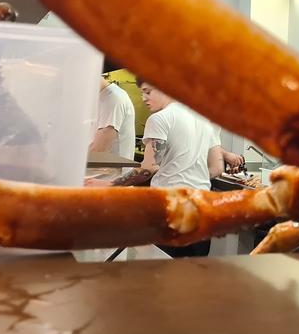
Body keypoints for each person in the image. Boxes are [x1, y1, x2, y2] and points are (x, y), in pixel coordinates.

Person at [106, 77, 244, 258]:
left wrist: (110, 186)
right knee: (192, 278)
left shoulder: (159, 119)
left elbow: (149, 168)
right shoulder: (205, 121)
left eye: (148, 92)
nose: (143, 98)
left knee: (162, 276)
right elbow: (217, 168)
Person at [88, 63, 137, 161]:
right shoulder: (97, 98)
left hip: (114, 174)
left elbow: (99, 151)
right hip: (99, 173)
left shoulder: (114, 99)